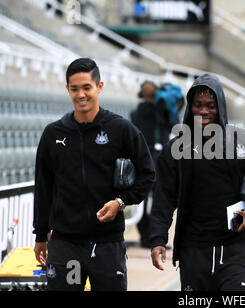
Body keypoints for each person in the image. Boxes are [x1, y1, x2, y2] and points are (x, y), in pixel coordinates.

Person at [149, 73, 245, 291]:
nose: (204, 111)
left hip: (236, 248)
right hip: (193, 251)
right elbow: (163, 200)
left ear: (220, 106)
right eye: (198, 105)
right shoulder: (175, 151)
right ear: (189, 108)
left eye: (211, 105)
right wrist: (157, 240)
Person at [33, 58, 155, 291]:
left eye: (87, 87)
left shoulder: (121, 129)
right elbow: (43, 187)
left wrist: (121, 202)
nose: (81, 95)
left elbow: (147, 174)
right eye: (75, 88)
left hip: (107, 244)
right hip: (65, 244)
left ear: (99, 87)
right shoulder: (53, 134)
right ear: (67, 89)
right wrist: (40, 233)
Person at [130, 81, 181, 248]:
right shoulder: (162, 110)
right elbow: (174, 122)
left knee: (142, 201)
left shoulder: (135, 113)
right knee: (159, 201)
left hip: (141, 159)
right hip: (160, 160)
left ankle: (144, 237)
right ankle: (153, 238)